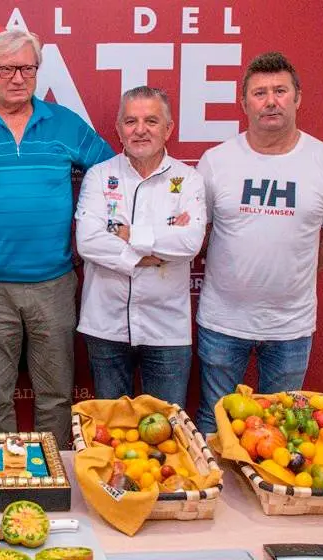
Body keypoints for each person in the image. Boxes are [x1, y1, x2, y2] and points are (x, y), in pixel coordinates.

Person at [0, 29, 114, 447]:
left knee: (55, 396)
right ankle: (5, 477)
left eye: (27, 68)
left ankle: (50, 477)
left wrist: (110, 232)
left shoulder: (65, 123)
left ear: (37, 71)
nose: (17, 77)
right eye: (6, 68)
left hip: (54, 285)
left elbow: (114, 176)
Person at [194, 52, 323, 434]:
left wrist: (296, 270)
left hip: (291, 324)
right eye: (260, 92)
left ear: (298, 98)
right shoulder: (216, 161)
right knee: (215, 420)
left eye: (280, 91)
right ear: (244, 103)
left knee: (280, 426)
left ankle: (267, 495)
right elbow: (199, 234)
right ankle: (214, 493)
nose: (270, 101)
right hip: (222, 320)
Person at [75, 86, 206, 407]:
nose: (140, 130)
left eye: (151, 120)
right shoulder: (98, 176)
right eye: (131, 121)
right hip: (106, 326)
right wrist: (150, 249)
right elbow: (88, 241)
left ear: (168, 129)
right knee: (110, 430)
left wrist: (123, 232)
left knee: (166, 433)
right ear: (119, 129)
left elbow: (189, 242)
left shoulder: (189, 180)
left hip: (166, 329)